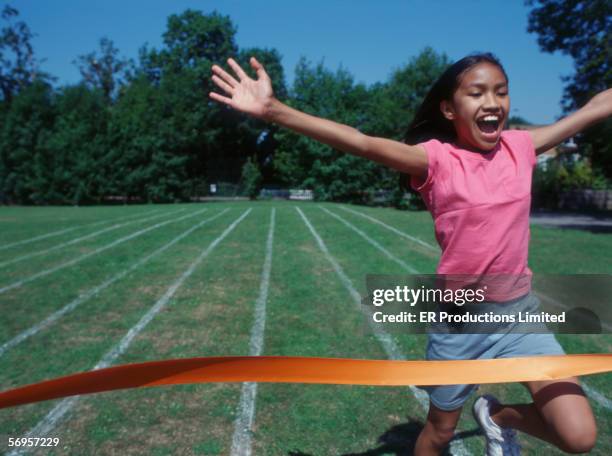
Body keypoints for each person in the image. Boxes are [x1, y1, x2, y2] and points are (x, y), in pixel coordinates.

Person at [209, 54, 612, 455]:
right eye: (477, 93)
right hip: (460, 323)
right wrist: (274, 111)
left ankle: (498, 416)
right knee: (438, 433)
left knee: (579, 436)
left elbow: (590, 110)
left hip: (520, 315)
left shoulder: (520, 147)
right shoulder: (435, 159)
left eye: (501, 92)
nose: (492, 102)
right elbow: (362, 142)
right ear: (449, 109)